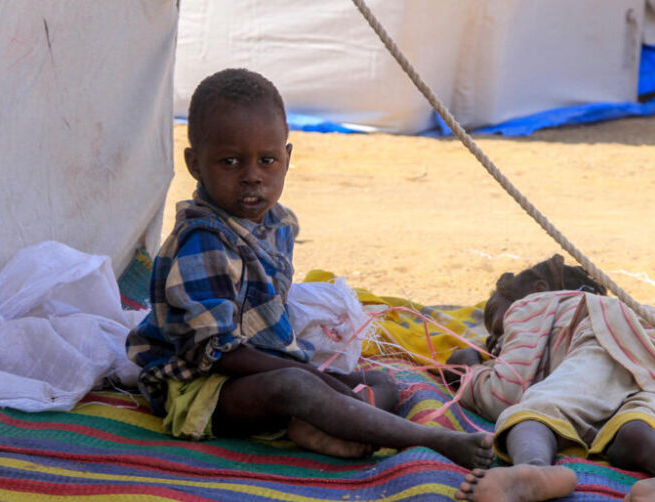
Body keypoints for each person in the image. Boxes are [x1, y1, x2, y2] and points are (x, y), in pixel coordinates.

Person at [126, 68, 493, 470]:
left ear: (287, 158)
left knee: (380, 383)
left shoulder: (276, 223)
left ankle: (320, 425)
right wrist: (316, 377)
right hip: (202, 389)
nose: (252, 177)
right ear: (195, 164)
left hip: (268, 369)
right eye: (230, 162)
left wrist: (326, 378)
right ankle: (431, 439)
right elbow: (219, 355)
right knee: (297, 385)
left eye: (267, 161)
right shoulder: (203, 242)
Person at [443, 255, 655, 502]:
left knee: (538, 409)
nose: (494, 336)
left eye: (495, 318)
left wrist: (469, 367)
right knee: (636, 431)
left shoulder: (533, 305)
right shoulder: (634, 313)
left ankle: (532, 467)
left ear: (537, 289)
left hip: (601, 346)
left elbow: (504, 391)